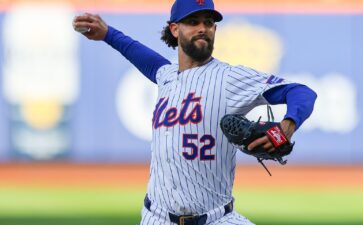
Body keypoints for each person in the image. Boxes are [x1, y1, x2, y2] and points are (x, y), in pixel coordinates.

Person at [73, 0, 317, 224]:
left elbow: (302, 93)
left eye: (209, 22)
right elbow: (141, 55)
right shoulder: (166, 75)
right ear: (175, 29)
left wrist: (286, 127)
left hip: (216, 219)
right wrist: (107, 34)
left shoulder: (229, 78)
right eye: (193, 22)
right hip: (156, 217)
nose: (203, 28)